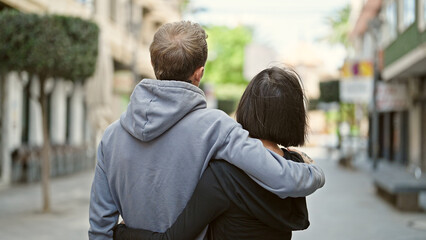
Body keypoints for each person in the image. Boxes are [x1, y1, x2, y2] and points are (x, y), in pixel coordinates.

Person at [89, 21, 325, 240]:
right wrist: (314, 171)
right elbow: (281, 177)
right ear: (199, 73)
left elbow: (100, 228)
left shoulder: (111, 137)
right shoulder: (216, 127)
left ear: (154, 65)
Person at [112, 66, 314, 240]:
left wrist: (121, 233)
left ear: (247, 107)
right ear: (294, 116)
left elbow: (174, 238)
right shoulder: (296, 169)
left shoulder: (223, 175)